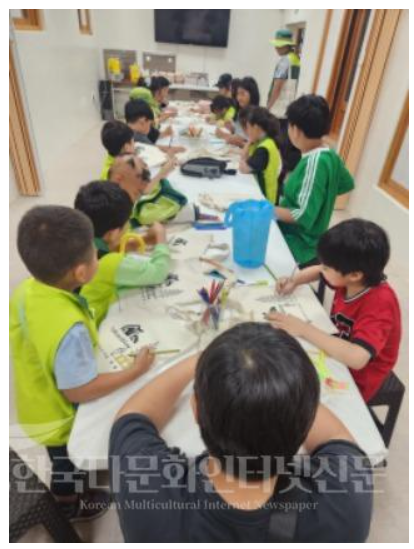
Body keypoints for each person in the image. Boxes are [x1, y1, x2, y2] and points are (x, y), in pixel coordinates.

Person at [109, 323, 373, 542]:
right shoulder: (346, 507)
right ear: (306, 422)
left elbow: (133, 416)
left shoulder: (148, 504)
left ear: (196, 409)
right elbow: (334, 436)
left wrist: (207, 359)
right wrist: (279, 385)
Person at [10, 206, 155, 520]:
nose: (98, 256)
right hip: (57, 417)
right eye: (94, 253)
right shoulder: (69, 329)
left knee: (62, 460)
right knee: (66, 464)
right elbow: (78, 390)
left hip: (35, 396)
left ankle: (71, 489)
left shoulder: (29, 288)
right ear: (80, 273)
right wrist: (135, 371)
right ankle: (69, 503)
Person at [268, 219, 401, 403]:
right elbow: (318, 270)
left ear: (355, 275)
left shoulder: (380, 304)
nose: (322, 268)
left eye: (326, 267)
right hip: (338, 348)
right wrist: (294, 281)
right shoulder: (350, 278)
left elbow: (357, 358)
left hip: (360, 376)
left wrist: (303, 329)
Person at [75, 182, 171, 326]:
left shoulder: (77, 238)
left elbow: (109, 247)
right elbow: (158, 272)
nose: (128, 226)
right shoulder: (110, 262)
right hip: (93, 326)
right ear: (113, 233)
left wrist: (143, 240)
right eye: (127, 222)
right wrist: (161, 236)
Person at [275, 94, 355, 267]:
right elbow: (346, 183)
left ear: (295, 130)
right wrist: (320, 198)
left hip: (300, 242)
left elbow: (303, 216)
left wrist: (269, 209)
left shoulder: (314, 163)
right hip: (310, 237)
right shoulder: (329, 153)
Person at [267, 28, 302, 180]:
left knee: (278, 145)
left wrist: (268, 107)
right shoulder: (296, 59)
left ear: (286, 45)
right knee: (286, 145)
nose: (276, 48)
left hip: (279, 109)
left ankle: (276, 176)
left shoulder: (284, 61)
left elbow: (277, 86)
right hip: (290, 108)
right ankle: (282, 175)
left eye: (278, 45)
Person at [239, 107, 282, 204]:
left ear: (256, 127)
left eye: (248, 127)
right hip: (263, 193)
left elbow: (243, 168)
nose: (247, 132)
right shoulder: (266, 141)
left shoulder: (263, 149)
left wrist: (248, 142)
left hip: (265, 198)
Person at [216, 77, 260, 147]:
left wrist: (226, 136)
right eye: (238, 94)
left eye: (242, 94)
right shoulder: (241, 111)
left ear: (252, 94)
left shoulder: (257, 116)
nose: (239, 98)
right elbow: (240, 133)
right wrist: (232, 128)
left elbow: (254, 146)